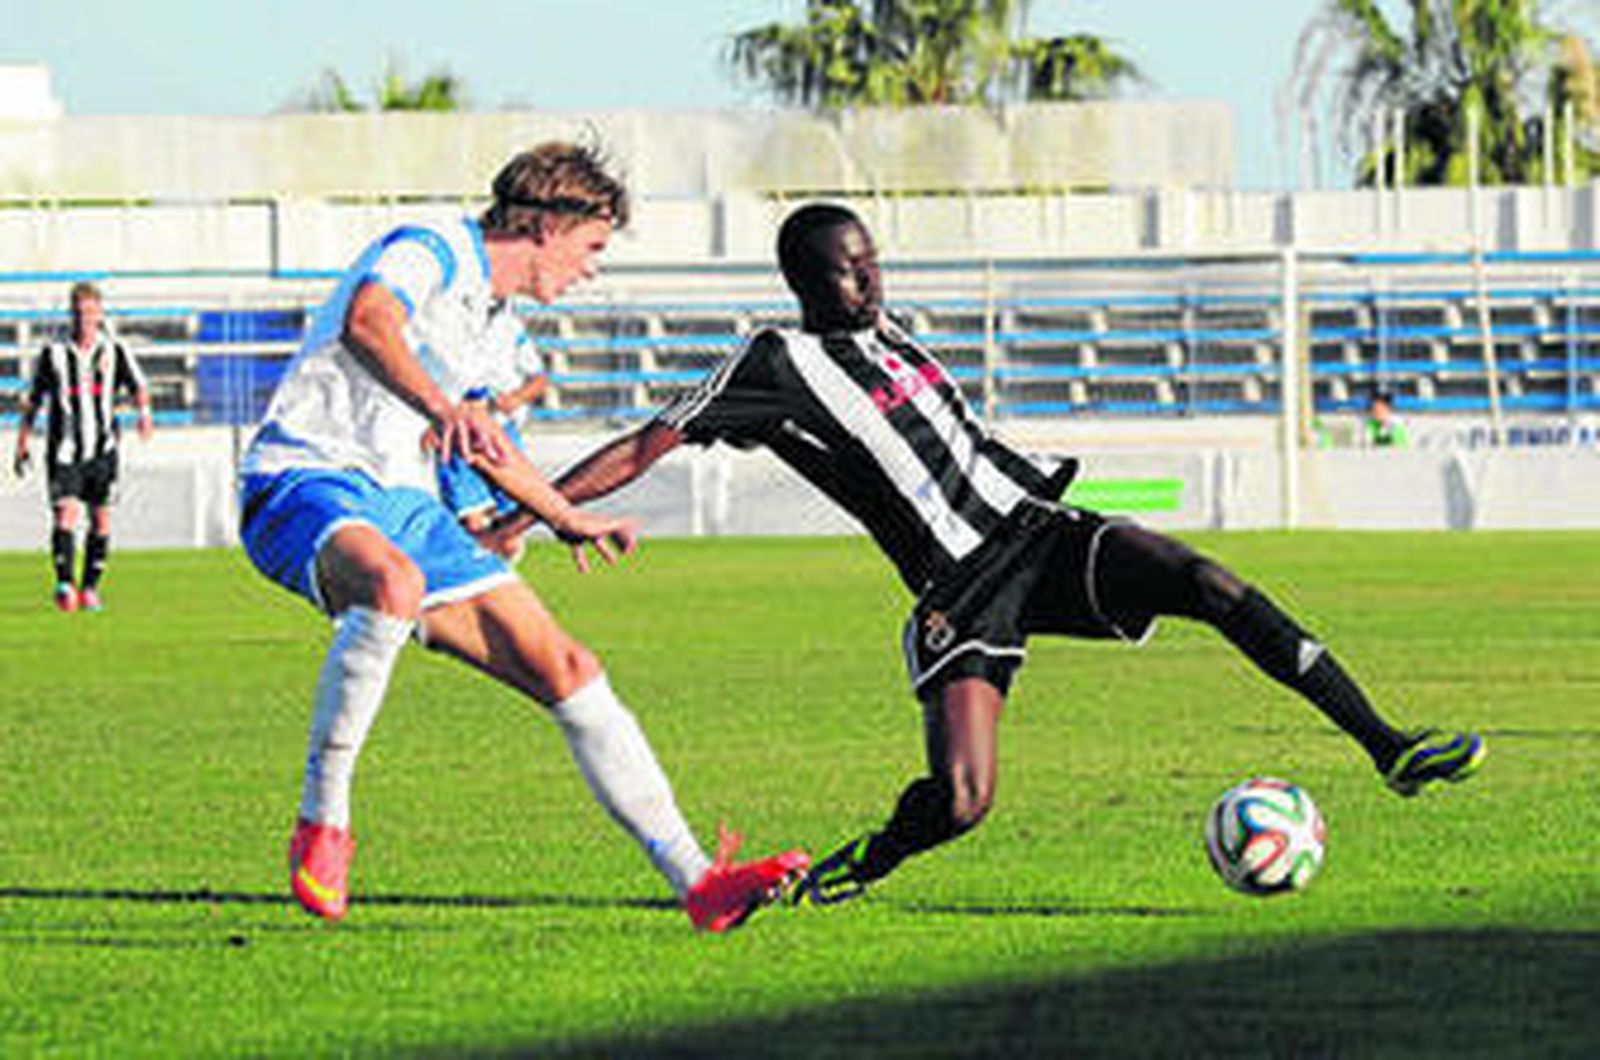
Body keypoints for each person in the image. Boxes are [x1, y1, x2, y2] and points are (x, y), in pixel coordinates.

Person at [529, 202, 1486, 906]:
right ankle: (861, 864)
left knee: (1208, 582)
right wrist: (527, 512)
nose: (873, 284)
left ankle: (1388, 746)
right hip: (962, 587)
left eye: (875, 265)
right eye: (853, 273)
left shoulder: (889, 333)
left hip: (1039, 531)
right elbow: (647, 442)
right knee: (963, 801)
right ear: (812, 282)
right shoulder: (776, 362)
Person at [237, 142, 807, 931]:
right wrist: (445, 411)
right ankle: (322, 821)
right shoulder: (428, 248)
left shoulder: (490, 319)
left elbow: (485, 441)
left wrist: (563, 517)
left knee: (571, 667)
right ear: (544, 223)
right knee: (392, 585)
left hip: (406, 508)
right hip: (305, 477)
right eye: (592, 247)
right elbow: (372, 323)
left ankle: (697, 882)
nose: (592, 270)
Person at [12, 281, 153, 613]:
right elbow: (32, 401)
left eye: (90, 312)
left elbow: (139, 387)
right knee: (65, 513)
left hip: (103, 450)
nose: (84, 319)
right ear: (70, 314)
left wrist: (144, 416)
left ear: (99, 314)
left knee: (101, 518)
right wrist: (21, 443)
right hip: (64, 450)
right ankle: (64, 585)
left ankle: (90, 588)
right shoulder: (53, 353)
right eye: (78, 313)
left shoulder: (115, 351)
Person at [435, 305, 550, 553]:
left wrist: (516, 398)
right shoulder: (447, 321)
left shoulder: (510, 327)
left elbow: (540, 379)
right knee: (472, 522)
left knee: (512, 527)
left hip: (502, 431)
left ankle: (501, 583)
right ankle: (479, 585)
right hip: (461, 433)